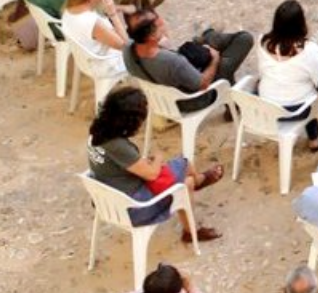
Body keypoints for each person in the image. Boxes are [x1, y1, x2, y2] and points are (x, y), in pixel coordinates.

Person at [86, 84, 223, 242]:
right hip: (133, 207)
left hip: (107, 200)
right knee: (185, 171)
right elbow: (152, 174)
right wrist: (158, 157)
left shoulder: (97, 132)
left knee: (186, 182)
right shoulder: (118, 145)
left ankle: (197, 188)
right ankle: (192, 225)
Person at [123, 8, 253, 113]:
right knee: (244, 39)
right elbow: (203, 84)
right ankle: (209, 36)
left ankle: (209, 37)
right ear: (151, 36)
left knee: (205, 49)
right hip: (193, 100)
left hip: (165, 99)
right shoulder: (172, 61)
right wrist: (215, 59)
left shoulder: (128, 50)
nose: (162, 22)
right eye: (159, 22)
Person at [257, 0, 318, 151]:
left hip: (266, 106)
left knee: (299, 86)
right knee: (314, 93)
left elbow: (262, 70)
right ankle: (313, 138)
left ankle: (312, 137)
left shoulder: (262, 41)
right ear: (301, 23)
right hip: (295, 110)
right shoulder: (309, 50)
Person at [61, 0, 131, 80]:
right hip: (105, 65)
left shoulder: (68, 11)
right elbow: (125, 46)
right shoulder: (92, 23)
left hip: (87, 59)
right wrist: (113, 14)